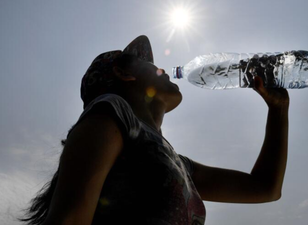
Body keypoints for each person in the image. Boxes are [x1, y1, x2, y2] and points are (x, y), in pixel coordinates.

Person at [20, 35, 289, 225]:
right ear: (125, 74)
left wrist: (278, 109)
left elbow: (265, 189)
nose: (164, 71)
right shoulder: (110, 113)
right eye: (153, 66)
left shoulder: (176, 162)